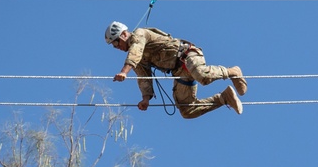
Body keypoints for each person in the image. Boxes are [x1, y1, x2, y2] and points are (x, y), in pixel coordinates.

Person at [105, 21, 247, 118]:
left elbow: (136, 50)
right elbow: (143, 77)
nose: (116, 47)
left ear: (123, 34)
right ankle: (224, 98)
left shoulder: (140, 34)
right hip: (179, 72)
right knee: (186, 110)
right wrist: (145, 99)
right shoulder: (139, 59)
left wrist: (124, 71)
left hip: (187, 56)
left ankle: (233, 72)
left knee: (202, 75)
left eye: (116, 42)